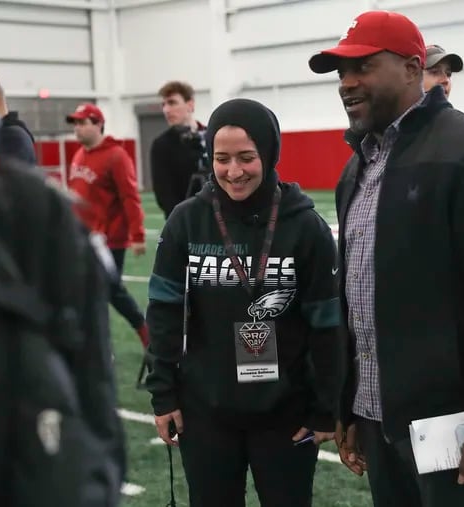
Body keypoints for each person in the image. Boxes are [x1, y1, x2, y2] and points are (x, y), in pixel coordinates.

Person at [308, 10, 464, 507]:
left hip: (448, 422)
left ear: (413, 69)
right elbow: (357, 295)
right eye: (340, 73)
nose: (347, 83)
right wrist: (347, 405)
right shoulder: (358, 165)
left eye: (362, 67)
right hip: (375, 416)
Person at [145, 98, 342, 507]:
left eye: (246, 157)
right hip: (205, 414)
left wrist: (325, 406)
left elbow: (327, 323)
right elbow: (164, 312)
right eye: (222, 158)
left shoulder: (306, 227)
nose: (233, 171)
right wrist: (163, 394)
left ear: (269, 154)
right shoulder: (187, 220)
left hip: (287, 415)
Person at [65, 102, 150, 350]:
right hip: (83, 238)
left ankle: (141, 334)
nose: (77, 129)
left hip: (109, 239)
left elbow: (129, 197)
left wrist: (137, 234)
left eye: (82, 123)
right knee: (100, 292)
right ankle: (109, 342)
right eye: (75, 124)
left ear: (98, 124)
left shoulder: (116, 156)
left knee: (106, 291)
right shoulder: (80, 154)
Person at [150, 81, 209, 219]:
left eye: (172, 103)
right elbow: (164, 195)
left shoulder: (212, 136)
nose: (166, 110)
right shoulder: (161, 145)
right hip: (183, 223)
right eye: (163, 104)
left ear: (190, 104)